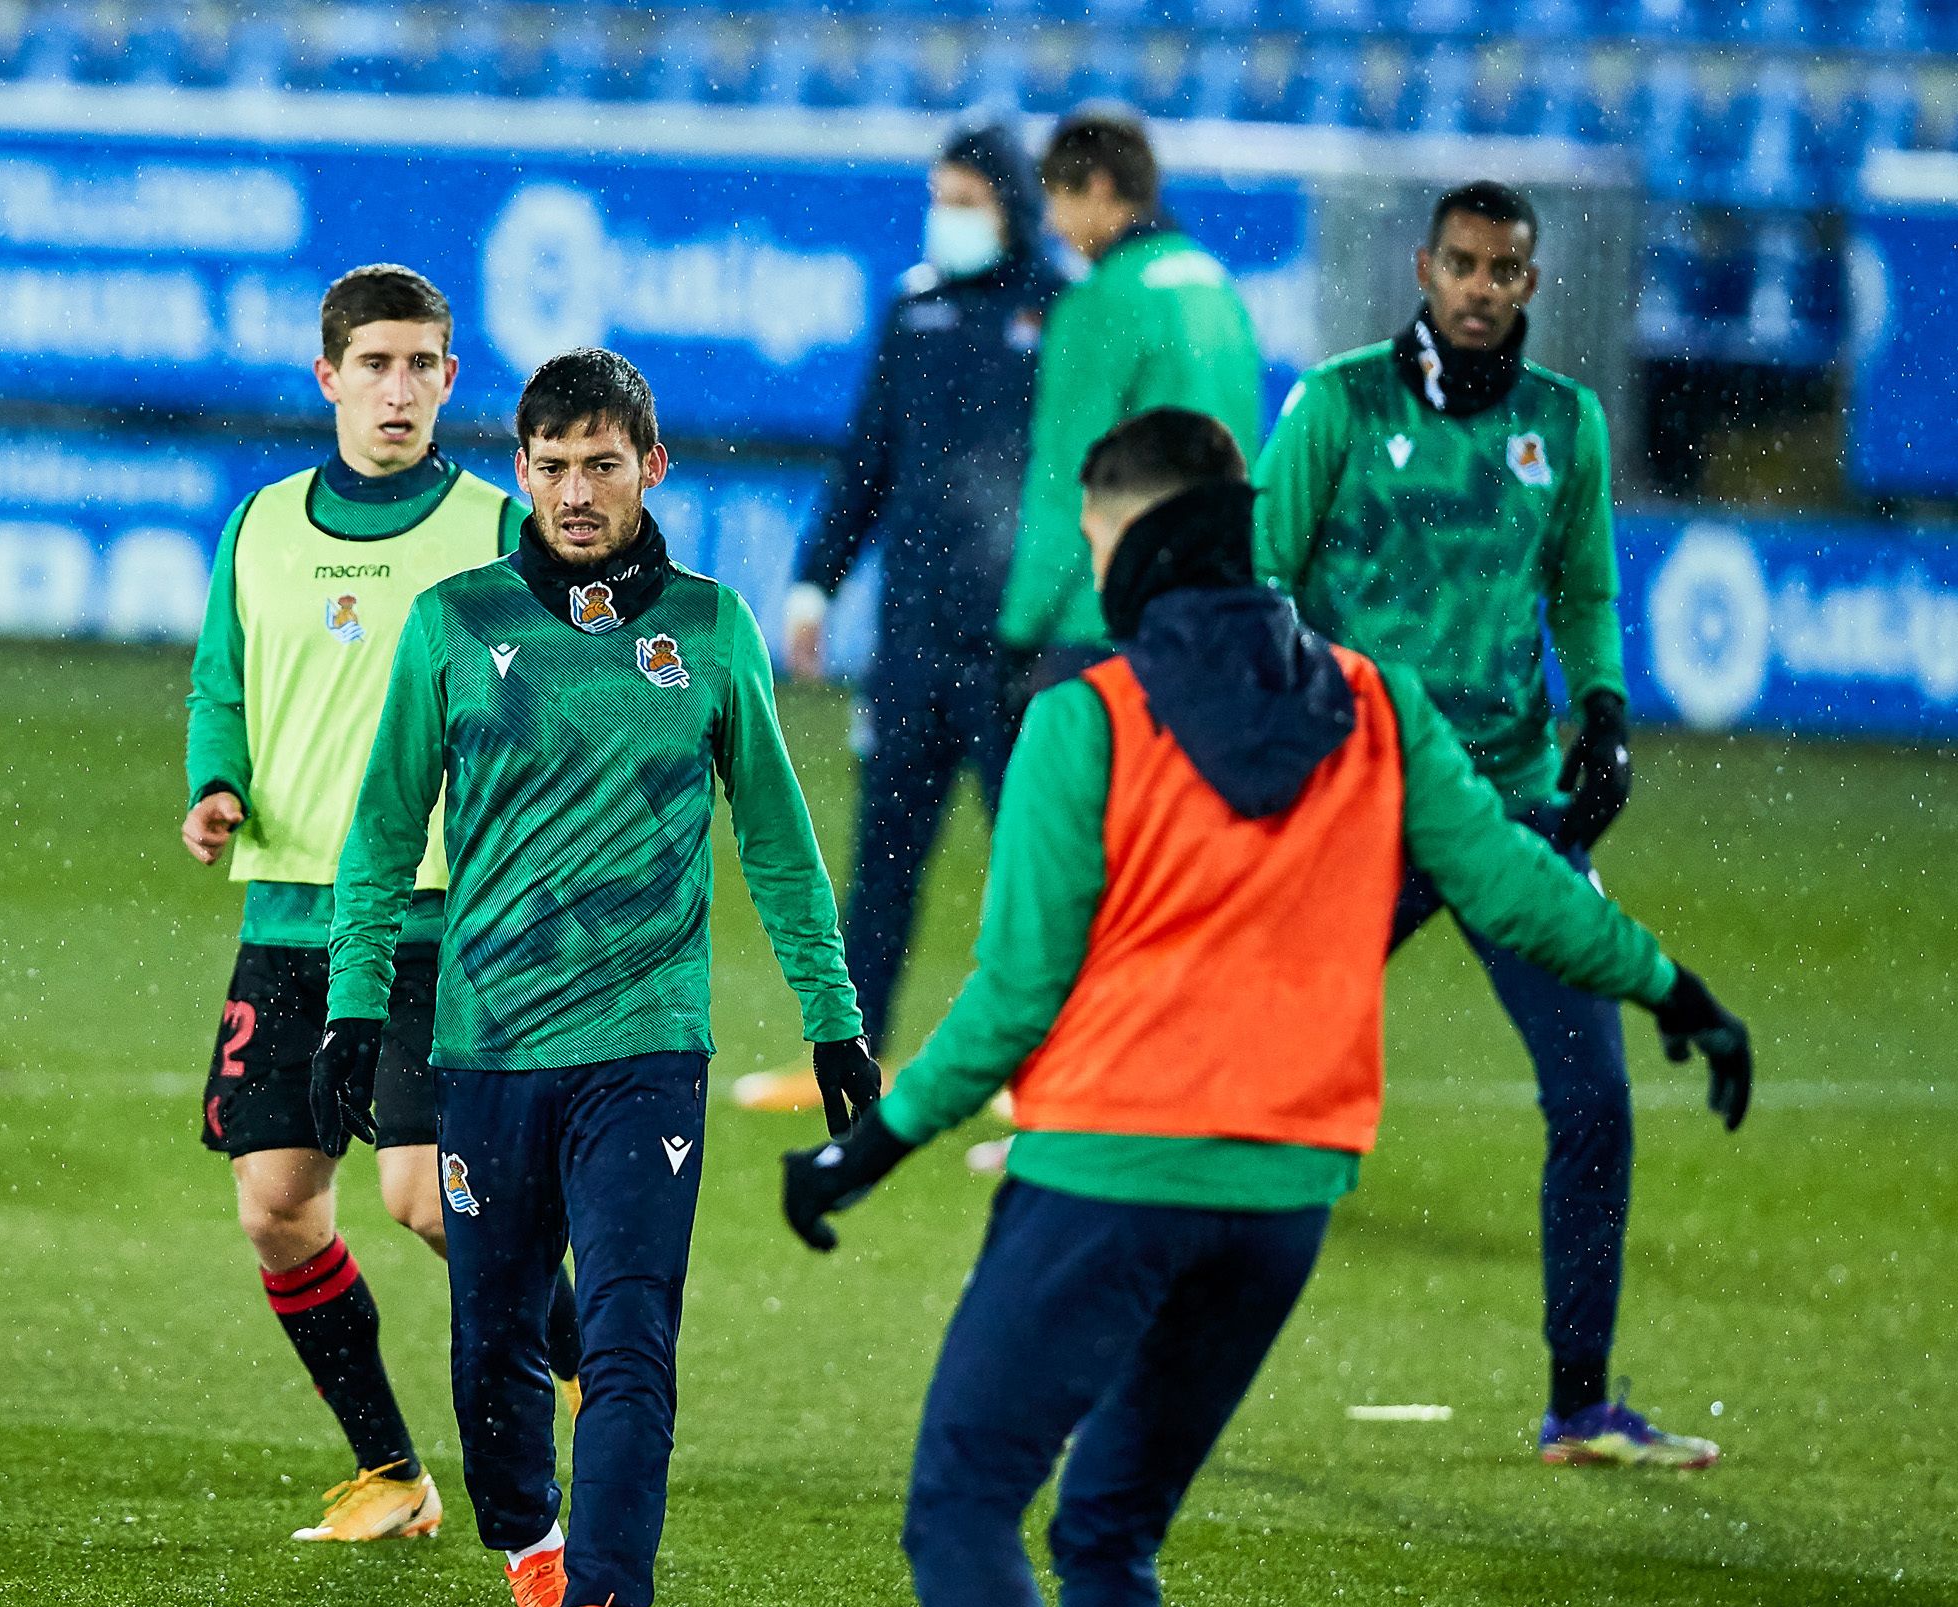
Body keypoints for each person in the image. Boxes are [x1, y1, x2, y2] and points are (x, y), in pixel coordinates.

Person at [780, 410, 1750, 1607]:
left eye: (1097, 545)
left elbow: (1016, 996)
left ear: (1132, 542)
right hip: (1285, 1193)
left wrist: (868, 1143)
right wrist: (1676, 989)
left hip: (1107, 1168)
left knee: (965, 1494)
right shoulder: (1375, 704)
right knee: (1113, 1527)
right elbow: (1513, 879)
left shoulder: (1084, 717)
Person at [320, 349, 878, 1607]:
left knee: (630, 1325)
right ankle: (531, 1548)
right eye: (554, 466)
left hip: (646, 1044)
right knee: (493, 1335)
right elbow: (383, 826)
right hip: (489, 1041)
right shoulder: (454, 622)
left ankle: (598, 1604)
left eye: (603, 465)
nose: (577, 491)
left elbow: (784, 844)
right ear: (522, 471)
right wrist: (350, 1004)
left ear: (651, 466)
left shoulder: (712, 626)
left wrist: (833, 1016)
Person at [1252, 180, 1711, 1466]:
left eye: (1504, 270)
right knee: (1247, 1079)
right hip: (1365, 808)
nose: (1479, 286)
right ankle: (1122, 1343)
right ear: (1423, 265)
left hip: (1511, 811)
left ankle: (1581, 1401)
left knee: (1595, 1098)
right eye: (1461, 263)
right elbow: (1262, 574)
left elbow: (1584, 582)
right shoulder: (1340, 401)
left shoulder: (1565, 424)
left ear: (1531, 282)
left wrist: (1606, 708)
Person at [181, 263, 584, 1544]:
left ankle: (596, 1361)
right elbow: (220, 684)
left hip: (434, 920)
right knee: (277, 1208)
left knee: (423, 1193)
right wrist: (214, 783)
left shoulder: (493, 534)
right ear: (330, 378)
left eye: (422, 367)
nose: (398, 390)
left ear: (451, 382)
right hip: (291, 919)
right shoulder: (259, 526)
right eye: (375, 366)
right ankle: (393, 1471)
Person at [732, 114, 1063, 1116]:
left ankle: (1046, 1069)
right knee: (882, 865)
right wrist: (813, 582)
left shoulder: (1064, 312)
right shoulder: (911, 309)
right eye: (939, 197)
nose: (947, 216)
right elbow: (867, 457)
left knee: (1035, 868)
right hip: (913, 641)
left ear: (1011, 203)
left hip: (1018, 643)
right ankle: (850, 1064)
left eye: (965, 199)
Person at [995, 110, 1265, 690]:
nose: (1051, 223)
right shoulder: (1218, 291)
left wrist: (1020, 629)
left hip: (1106, 626)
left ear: (1099, 187)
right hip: (1214, 618)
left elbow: (1067, 482)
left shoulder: (1098, 306)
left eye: (1058, 198)